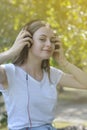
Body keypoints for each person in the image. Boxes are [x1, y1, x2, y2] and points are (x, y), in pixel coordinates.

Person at [0, 20, 87, 130]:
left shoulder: (52, 74)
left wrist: (64, 62)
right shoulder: (9, 73)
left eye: (52, 40)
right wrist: (12, 51)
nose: (49, 44)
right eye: (42, 39)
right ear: (28, 41)